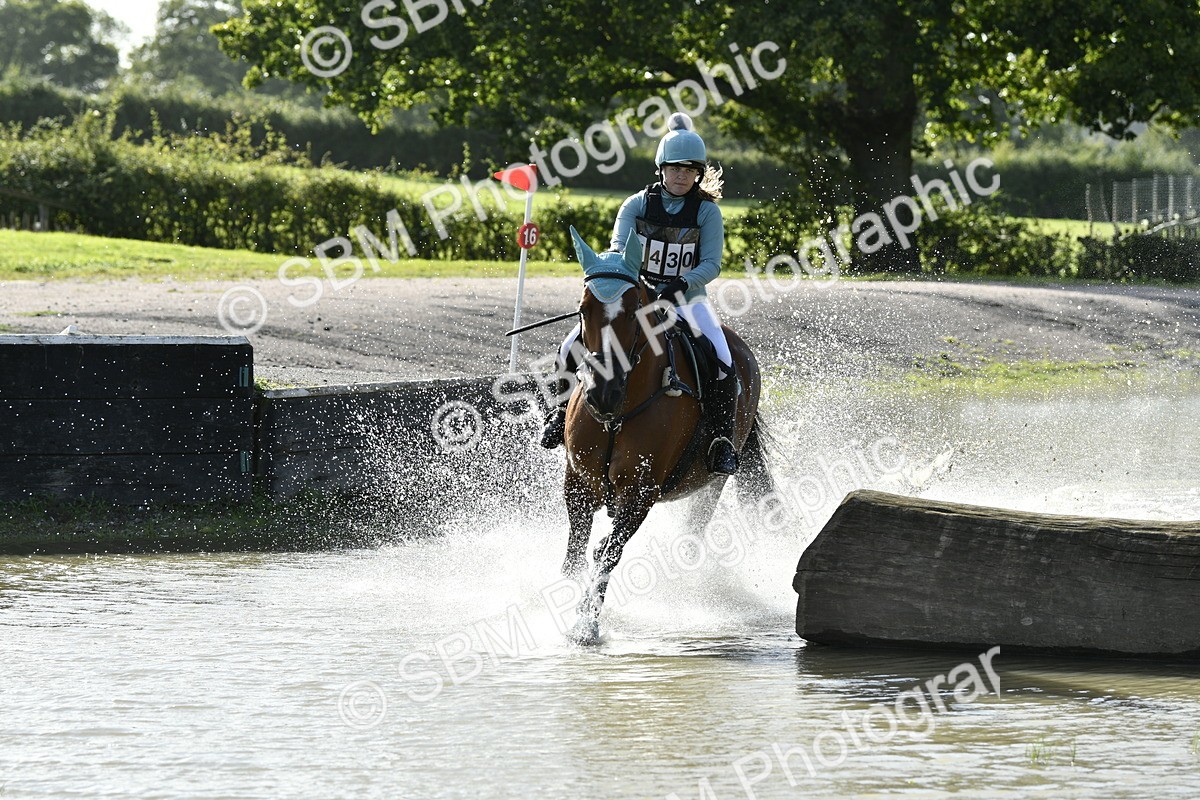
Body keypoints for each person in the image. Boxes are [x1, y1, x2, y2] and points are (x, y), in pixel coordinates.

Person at [540, 112, 739, 475]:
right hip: (637, 298)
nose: (681, 176)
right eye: (675, 169)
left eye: (689, 170)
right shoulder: (636, 205)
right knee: (571, 346)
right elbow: (618, 250)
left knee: (723, 361)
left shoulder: (707, 212)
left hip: (687, 300)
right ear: (661, 169)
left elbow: (712, 264)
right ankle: (558, 414)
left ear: (698, 174)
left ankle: (721, 439)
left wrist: (680, 284)